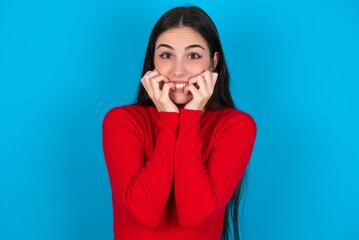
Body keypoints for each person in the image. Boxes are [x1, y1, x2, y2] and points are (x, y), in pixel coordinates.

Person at [102, 6, 257, 240]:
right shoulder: (122, 121)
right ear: (152, 61)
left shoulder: (236, 125)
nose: (178, 70)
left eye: (193, 56)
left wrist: (191, 116)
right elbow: (143, 213)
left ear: (213, 62)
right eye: (166, 55)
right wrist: (169, 117)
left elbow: (194, 215)